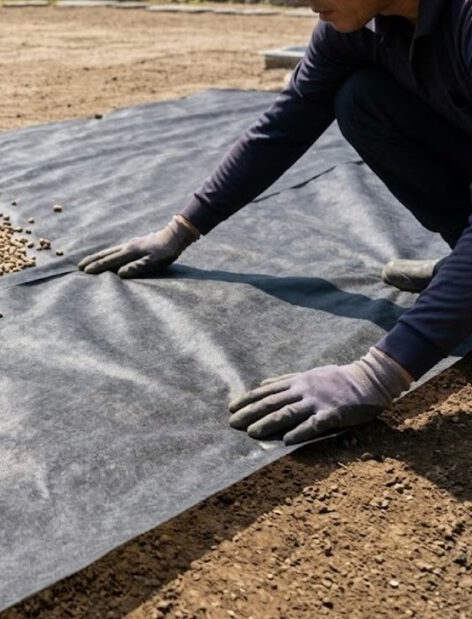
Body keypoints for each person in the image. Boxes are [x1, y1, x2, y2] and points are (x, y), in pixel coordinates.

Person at [78, 0, 472, 444]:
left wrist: (378, 373)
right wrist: (180, 230)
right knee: (362, 98)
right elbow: (283, 126)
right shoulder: (360, 27)